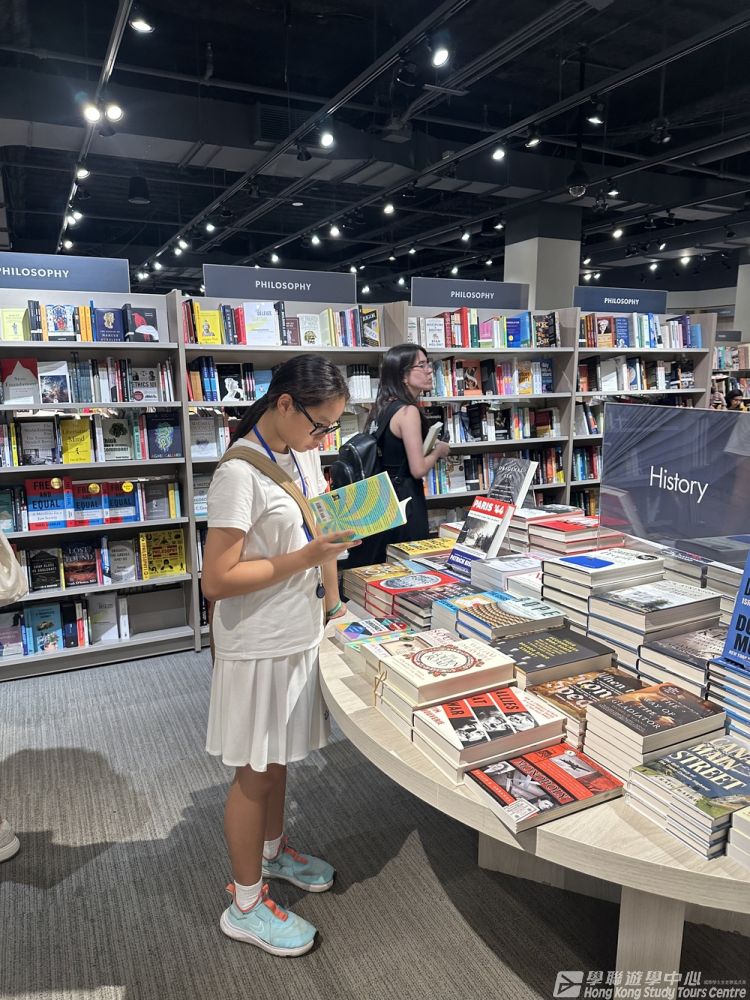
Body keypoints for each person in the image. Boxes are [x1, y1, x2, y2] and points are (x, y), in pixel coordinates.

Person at [201, 355, 358, 957]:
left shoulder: (301, 453)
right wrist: (306, 558)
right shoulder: (238, 473)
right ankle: (244, 904)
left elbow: (320, 533)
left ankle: (272, 852)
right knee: (254, 770)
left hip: (296, 632)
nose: (326, 437)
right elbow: (217, 580)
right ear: (285, 404)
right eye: (321, 425)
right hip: (257, 645)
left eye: (333, 427)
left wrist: (334, 604)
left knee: (279, 758)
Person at [345, 344, 451, 567]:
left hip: (382, 501)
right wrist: (438, 451)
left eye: (428, 364)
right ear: (403, 375)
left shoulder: (381, 408)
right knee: (411, 567)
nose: (429, 371)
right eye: (421, 365)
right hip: (405, 500)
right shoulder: (407, 411)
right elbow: (418, 469)